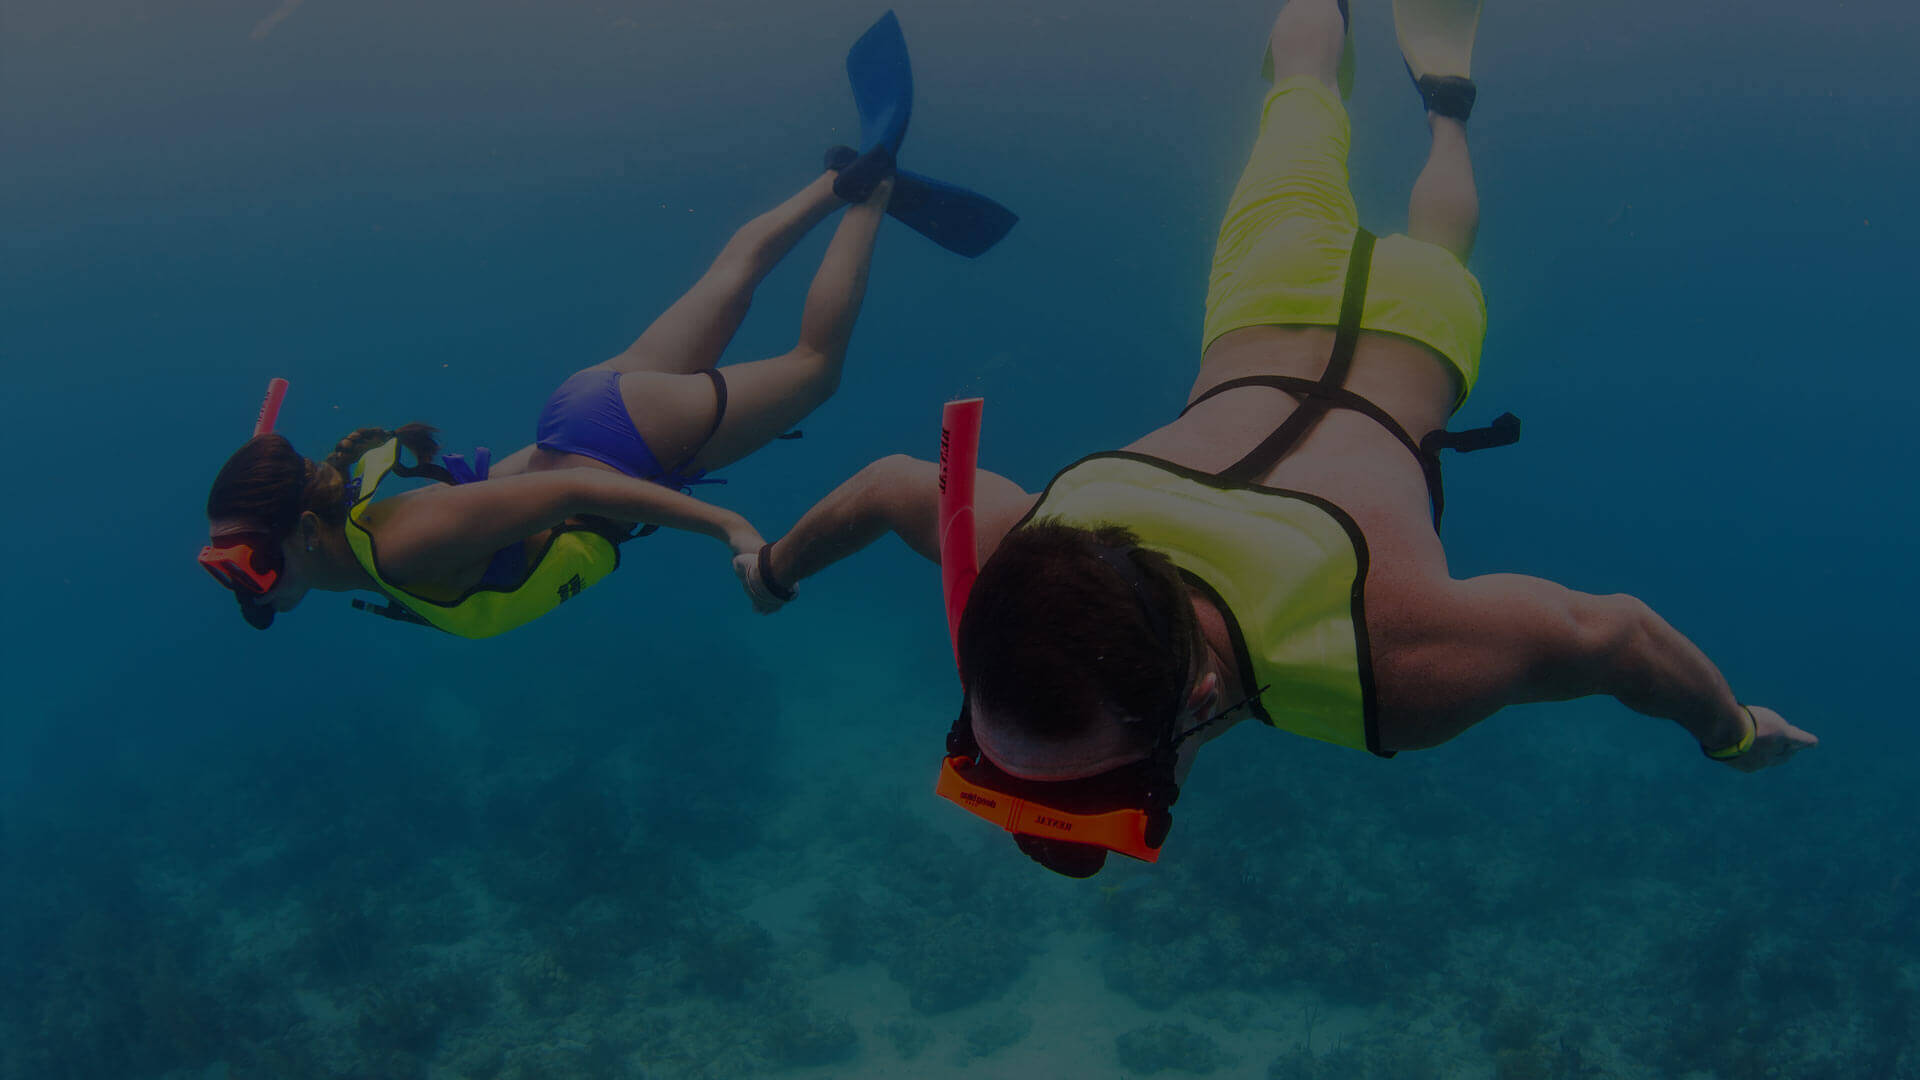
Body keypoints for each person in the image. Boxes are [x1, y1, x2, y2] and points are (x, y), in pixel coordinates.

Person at [737, 0, 1819, 877]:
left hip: (1418, 340)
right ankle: (1374, 53)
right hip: (1265, 297)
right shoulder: (1024, 550)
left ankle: (1446, 109)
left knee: (1440, 230)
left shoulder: (1390, 671)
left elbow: (1617, 636)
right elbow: (888, 486)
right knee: (1300, 101)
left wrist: (1733, 734)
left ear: (1202, 702)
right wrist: (774, 569)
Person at [199, 11, 1015, 639]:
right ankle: (837, 183)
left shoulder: (401, 545)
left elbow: (575, 487)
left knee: (814, 368)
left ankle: (871, 193)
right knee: (727, 285)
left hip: (623, 447)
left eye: (249, 563)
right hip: (589, 410)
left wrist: (729, 528)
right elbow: (521, 484)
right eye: (227, 570)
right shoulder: (376, 536)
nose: (243, 583)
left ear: (305, 531)